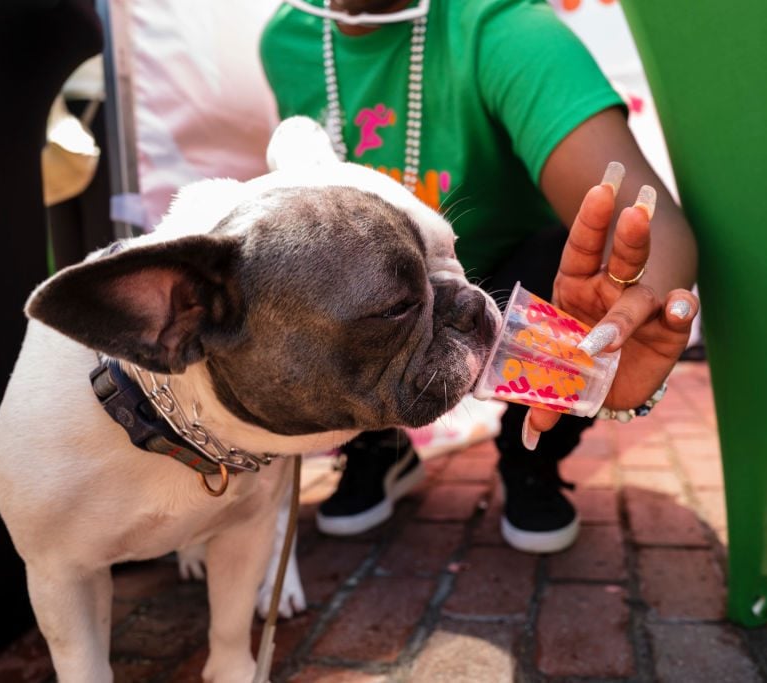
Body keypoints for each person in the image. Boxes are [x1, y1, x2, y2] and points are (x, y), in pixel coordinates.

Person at [259, 0, 698, 553]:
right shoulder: (288, 38)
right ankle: (377, 447)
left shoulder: (501, 27)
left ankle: (530, 455)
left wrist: (628, 319)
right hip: (385, 290)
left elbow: (649, 222)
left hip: (505, 282)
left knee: (572, 264)